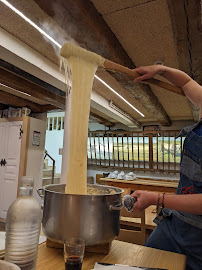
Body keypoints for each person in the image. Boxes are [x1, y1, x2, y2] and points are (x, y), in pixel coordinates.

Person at [131, 65, 202, 270]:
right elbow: (187, 82)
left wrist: (156, 198)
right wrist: (161, 70)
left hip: (198, 238)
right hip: (174, 222)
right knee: (145, 265)